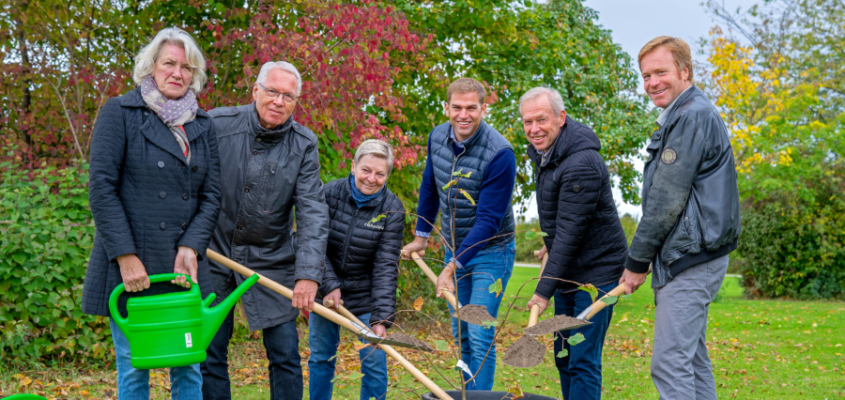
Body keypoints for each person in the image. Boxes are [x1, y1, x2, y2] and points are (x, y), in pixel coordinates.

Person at [82, 27, 221, 399]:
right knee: (132, 368)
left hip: (183, 268)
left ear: (195, 75)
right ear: (151, 68)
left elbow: (212, 195)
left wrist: (191, 247)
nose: (177, 73)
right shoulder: (120, 112)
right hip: (134, 265)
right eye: (169, 64)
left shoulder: (203, 125)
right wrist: (125, 256)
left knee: (189, 366)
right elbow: (102, 189)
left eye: (186, 67)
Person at [619, 36, 741, 400]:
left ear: (684, 72)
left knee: (670, 363)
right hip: (695, 255)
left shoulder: (690, 117)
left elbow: (665, 200)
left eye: (660, 72)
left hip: (691, 257)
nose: (652, 83)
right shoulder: (686, 114)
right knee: (692, 360)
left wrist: (637, 261)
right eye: (645, 76)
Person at [200, 61, 329, 400]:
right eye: (272, 91)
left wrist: (308, 274)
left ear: (295, 102)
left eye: (288, 95)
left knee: (285, 351)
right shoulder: (216, 124)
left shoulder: (304, 144)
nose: (278, 101)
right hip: (213, 252)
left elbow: (313, 211)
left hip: (271, 256)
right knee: (209, 350)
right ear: (256, 90)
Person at [401, 78, 517, 390]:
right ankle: (469, 395)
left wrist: (451, 267)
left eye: (471, 108)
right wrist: (421, 237)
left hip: (492, 250)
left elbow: (489, 220)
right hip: (456, 245)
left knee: (479, 331)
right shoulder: (437, 136)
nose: (463, 115)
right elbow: (430, 185)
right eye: (457, 107)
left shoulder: (500, 153)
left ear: (484, 108)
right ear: (446, 108)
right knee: (462, 332)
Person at [520, 87, 628, 400]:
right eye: (528, 122)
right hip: (569, 271)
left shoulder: (581, 162)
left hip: (600, 276)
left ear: (561, 118)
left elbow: (570, 233)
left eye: (541, 119)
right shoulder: (546, 154)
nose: (534, 129)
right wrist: (549, 243)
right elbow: (563, 222)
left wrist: (542, 294)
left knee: (581, 358)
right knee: (564, 354)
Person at [308, 139, 405, 400]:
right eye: (366, 170)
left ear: (387, 175)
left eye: (380, 173)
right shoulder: (329, 193)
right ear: (353, 166)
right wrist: (329, 285)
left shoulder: (392, 210)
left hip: (365, 298)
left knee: (373, 362)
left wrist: (381, 317)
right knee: (321, 358)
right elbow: (312, 244)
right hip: (325, 291)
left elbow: (386, 265)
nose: (371, 179)